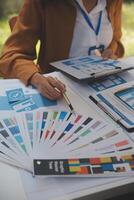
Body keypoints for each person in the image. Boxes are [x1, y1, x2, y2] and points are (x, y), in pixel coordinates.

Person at [0, 0, 124, 100]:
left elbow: (115, 40)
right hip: (62, 91)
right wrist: (35, 78)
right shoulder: (41, 3)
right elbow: (12, 54)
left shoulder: (114, 2)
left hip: (104, 85)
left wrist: (111, 51)